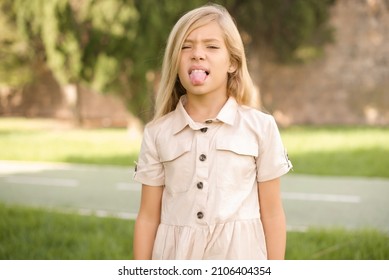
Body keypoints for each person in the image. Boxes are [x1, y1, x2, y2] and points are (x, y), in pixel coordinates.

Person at [133, 3, 292, 260]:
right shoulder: (157, 133)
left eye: (212, 46)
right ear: (175, 61)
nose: (197, 54)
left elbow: (273, 214)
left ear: (232, 62)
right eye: (186, 46)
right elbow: (148, 217)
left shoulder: (261, 127)